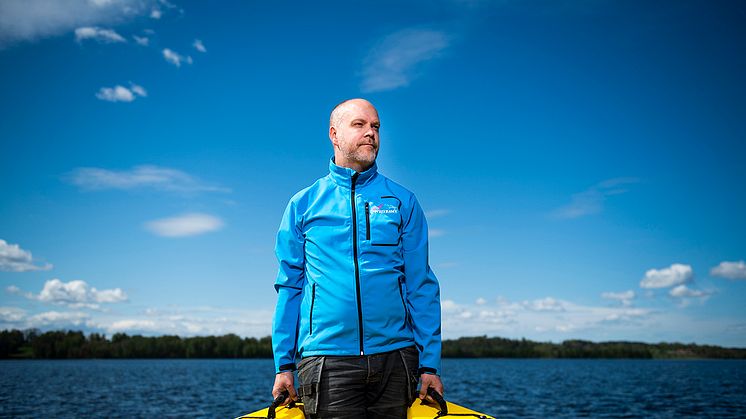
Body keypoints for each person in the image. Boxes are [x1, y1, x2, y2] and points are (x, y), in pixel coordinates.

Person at [271, 98, 443, 419]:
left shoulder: (402, 201)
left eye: (375, 127)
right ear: (334, 135)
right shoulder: (303, 204)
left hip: (396, 358)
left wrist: (429, 363)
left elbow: (421, 285)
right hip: (327, 361)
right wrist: (284, 364)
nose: (371, 133)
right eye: (360, 125)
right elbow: (290, 287)